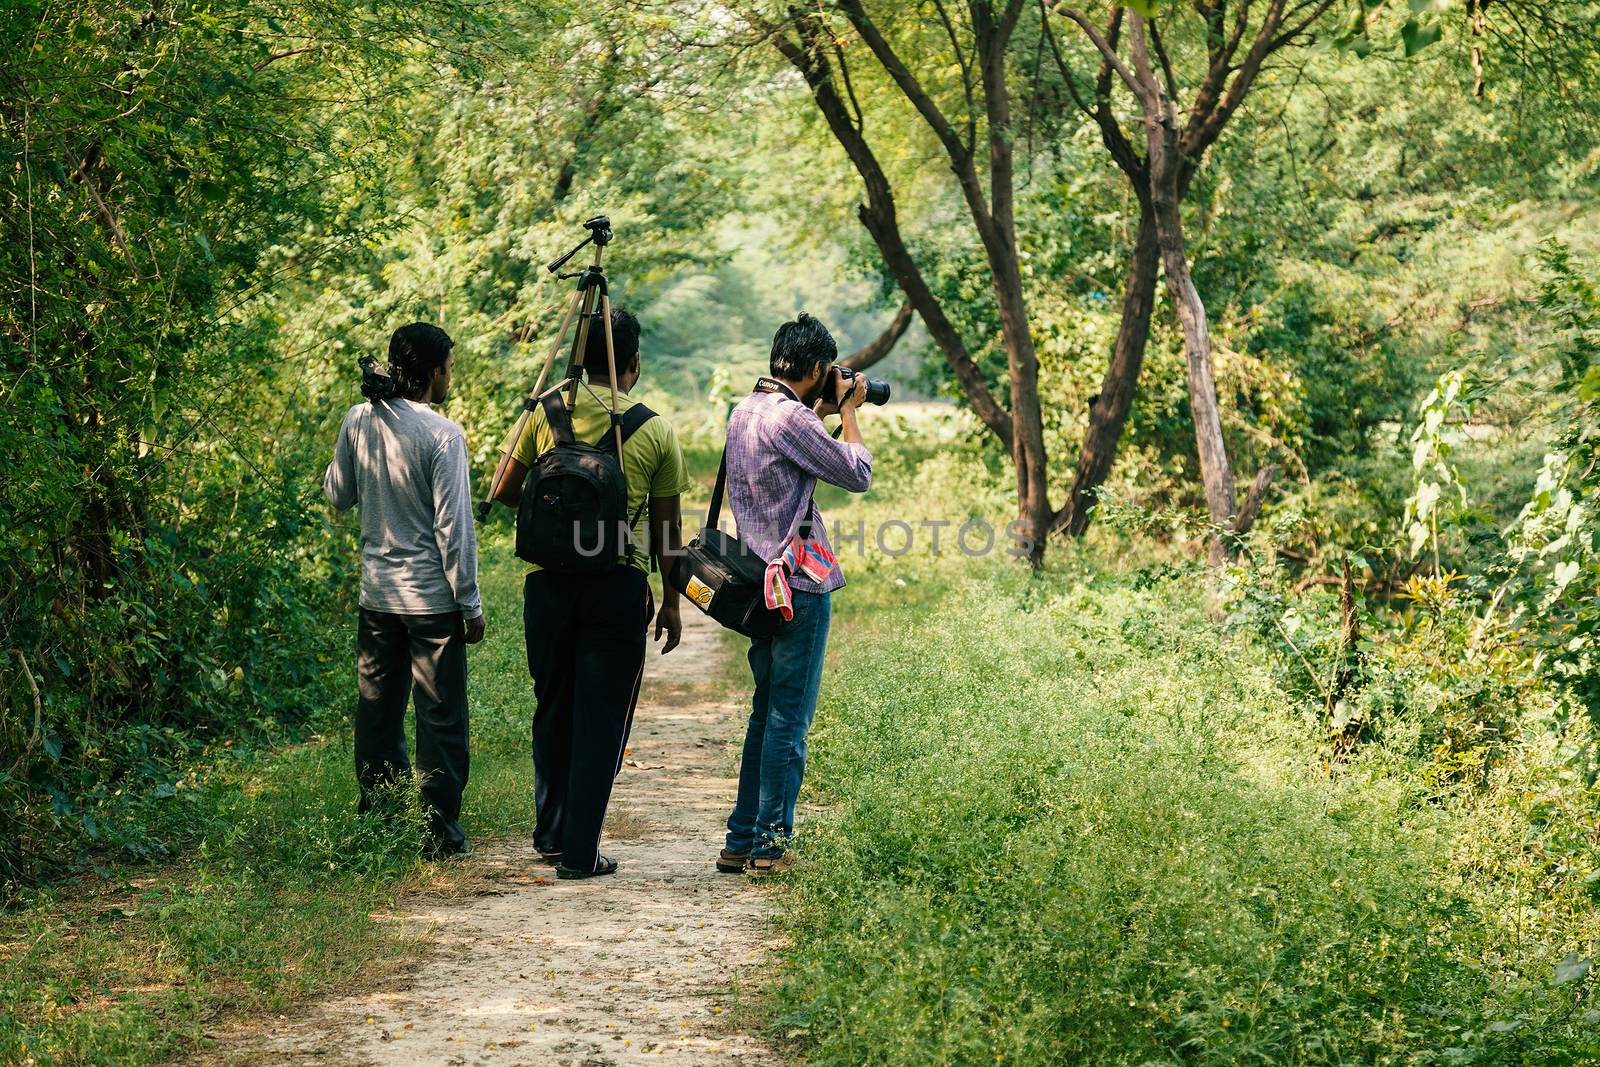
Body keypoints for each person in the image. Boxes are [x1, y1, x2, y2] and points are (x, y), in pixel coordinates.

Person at [491, 307, 692, 880]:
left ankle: (552, 835)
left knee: (553, 704)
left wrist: (560, 517)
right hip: (615, 587)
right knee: (601, 717)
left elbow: (505, 488)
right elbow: (668, 532)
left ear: (579, 353)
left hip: (548, 586)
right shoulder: (653, 428)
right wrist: (673, 601)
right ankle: (579, 851)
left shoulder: (546, 408)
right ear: (632, 362)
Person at [323, 322, 485, 858]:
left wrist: (355, 434)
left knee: (378, 712)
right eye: (450, 367)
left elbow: (337, 493)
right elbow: (453, 529)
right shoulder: (442, 434)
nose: (451, 376)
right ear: (434, 371)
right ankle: (439, 832)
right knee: (439, 718)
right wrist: (471, 604)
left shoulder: (360, 419)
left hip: (378, 597)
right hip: (432, 604)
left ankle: (381, 820)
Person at [718, 313, 872, 876]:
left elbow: (793, 464)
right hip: (800, 587)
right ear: (815, 368)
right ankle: (770, 845)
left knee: (765, 716)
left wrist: (820, 412)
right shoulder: (790, 420)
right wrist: (849, 410)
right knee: (789, 719)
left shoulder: (744, 411)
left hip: (758, 585)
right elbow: (857, 472)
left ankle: (740, 839)